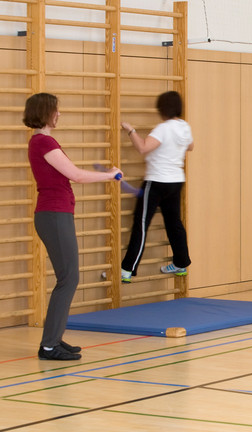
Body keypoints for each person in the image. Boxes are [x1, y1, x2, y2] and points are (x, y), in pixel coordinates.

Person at [24, 93, 123, 360]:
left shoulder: (42, 141)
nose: (59, 114)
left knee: (68, 278)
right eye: (56, 110)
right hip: (53, 215)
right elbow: (76, 175)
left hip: (57, 214)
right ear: (46, 112)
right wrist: (110, 175)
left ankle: (53, 339)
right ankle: (49, 345)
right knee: (68, 278)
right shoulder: (43, 142)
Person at [119, 91, 194, 283]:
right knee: (174, 223)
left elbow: (143, 148)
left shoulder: (163, 128)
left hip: (157, 181)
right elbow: (190, 146)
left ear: (162, 109)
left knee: (141, 224)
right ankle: (181, 263)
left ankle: (127, 269)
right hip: (176, 181)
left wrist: (131, 130)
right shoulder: (184, 127)